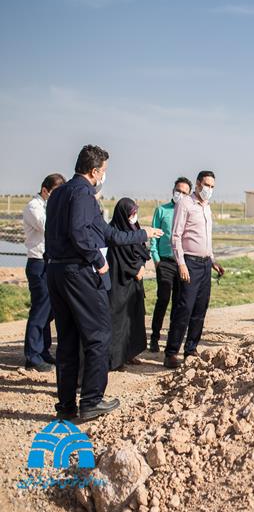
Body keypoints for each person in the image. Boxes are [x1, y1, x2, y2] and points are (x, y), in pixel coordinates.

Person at [45, 145, 162, 420]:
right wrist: (98, 260)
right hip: (80, 273)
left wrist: (143, 233)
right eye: (104, 171)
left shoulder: (59, 193)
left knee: (67, 339)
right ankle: (91, 400)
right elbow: (79, 233)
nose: (104, 176)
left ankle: (66, 406)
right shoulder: (83, 193)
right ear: (94, 171)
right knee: (98, 335)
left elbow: (109, 233)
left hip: (57, 271)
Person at [164, 171, 224, 368]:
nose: (209, 189)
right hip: (189, 263)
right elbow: (176, 236)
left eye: (212, 187)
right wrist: (181, 263)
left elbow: (206, 238)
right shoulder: (185, 204)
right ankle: (171, 352)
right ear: (198, 184)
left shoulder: (207, 207)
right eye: (207, 185)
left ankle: (191, 349)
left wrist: (213, 260)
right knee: (185, 308)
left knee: (200, 308)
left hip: (205, 263)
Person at [22, 173, 65, 371]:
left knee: (49, 311)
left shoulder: (49, 207)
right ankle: (32, 355)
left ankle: (43, 351)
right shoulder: (34, 207)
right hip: (38, 262)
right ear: (45, 190)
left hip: (50, 262)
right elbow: (48, 226)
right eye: (55, 192)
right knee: (40, 310)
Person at [148, 177, 192, 352]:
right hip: (165, 262)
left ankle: (172, 340)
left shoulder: (189, 212)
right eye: (178, 190)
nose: (180, 194)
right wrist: (156, 259)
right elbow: (154, 237)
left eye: (184, 192)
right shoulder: (162, 210)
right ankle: (154, 337)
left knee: (178, 302)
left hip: (182, 263)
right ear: (173, 190)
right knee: (163, 298)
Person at [107, 198, 150, 370]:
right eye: (131, 214)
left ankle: (130, 353)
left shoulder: (135, 229)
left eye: (135, 213)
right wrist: (135, 270)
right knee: (119, 322)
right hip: (120, 283)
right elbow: (120, 258)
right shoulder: (115, 232)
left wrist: (141, 266)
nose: (134, 216)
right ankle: (116, 360)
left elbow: (141, 250)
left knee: (134, 319)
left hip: (134, 284)